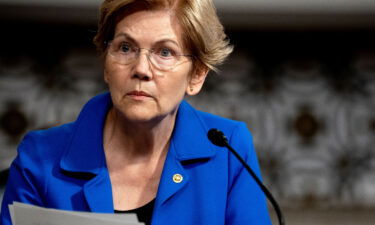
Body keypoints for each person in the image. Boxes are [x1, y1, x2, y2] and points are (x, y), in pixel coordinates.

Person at [0, 0, 271, 224]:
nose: (141, 69)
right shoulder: (39, 156)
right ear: (106, 65)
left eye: (165, 52)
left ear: (197, 75)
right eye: (125, 48)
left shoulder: (228, 148)